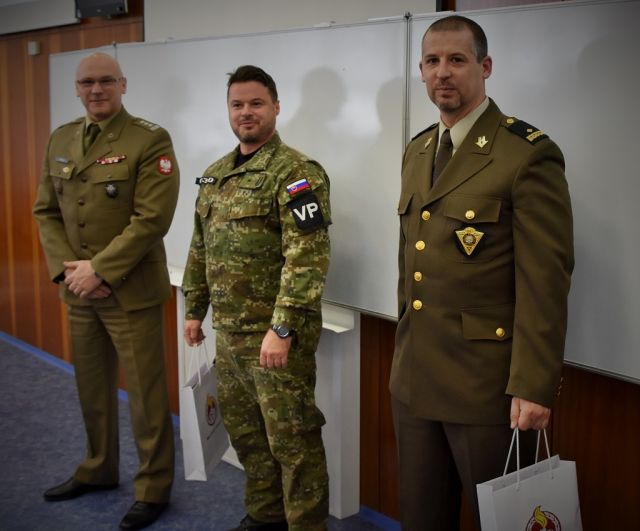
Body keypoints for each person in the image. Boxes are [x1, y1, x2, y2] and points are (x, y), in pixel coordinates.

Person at [390, 15, 574, 530]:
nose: (442, 73)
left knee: (502, 522)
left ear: (485, 66)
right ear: (421, 71)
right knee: (421, 517)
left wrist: (533, 385)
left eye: (457, 59)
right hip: (414, 379)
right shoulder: (418, 150)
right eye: (431, 61)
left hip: (488, 389)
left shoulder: (526, 155)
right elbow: (411, 264)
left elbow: (545, 281)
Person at [33, 52, 179, 530]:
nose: (96, 90)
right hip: (78, 291)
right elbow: (46, 211)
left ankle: (153, 488)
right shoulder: (60, 138)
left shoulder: (149, 139)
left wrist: (99, 270)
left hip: (130, 291)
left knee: (146, 397)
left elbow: (152, 219)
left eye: (106, 81)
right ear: (77, 89)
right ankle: (98, 468)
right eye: (87, 83)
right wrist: (69, 274)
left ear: (123, 84)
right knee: (92, 388)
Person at [182, 65, 331, 531]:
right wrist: (194, 310)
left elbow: (307, 256)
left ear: (276, 107)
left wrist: (282, 328)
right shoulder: (214, 176)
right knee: (248, 436)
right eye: (237, 104)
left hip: (274, 340)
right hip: (229, 337)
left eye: (256, 103)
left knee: (293, 443)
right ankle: (265, 517)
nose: (246, 112)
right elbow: (200, 247)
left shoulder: (296, 174)